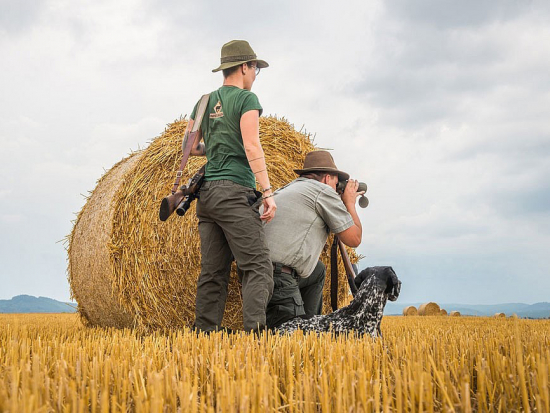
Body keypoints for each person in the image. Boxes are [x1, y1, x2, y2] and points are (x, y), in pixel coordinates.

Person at [187, 40, 276, 333]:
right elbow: (252, 145)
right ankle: (255, 337)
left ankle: (204, 333)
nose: (254, 76)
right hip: (235, 192)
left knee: (213, 272)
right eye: (254, 69)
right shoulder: (247, 100)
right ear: (243, 67)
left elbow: (190, 147)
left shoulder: (203, 102)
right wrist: (267, 192)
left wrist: (214, 147)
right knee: (258, 266)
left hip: (208, 197)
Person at [263, 150, 364, 329]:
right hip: (278, 277)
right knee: (293, 344)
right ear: (327, 178)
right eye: (335, 182)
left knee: (317, 270)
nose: (335, 188)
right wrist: (349, 203)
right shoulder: (323, 191)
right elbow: (354, 238)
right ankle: (305, 329)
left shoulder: (287, 189)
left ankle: (312, 323)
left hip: (257, 273)